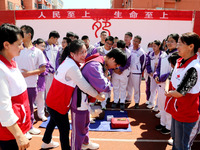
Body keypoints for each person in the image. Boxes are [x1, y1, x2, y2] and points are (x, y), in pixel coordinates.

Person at [41, 40, 104, 150]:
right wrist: (98, 96)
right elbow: (84, 86)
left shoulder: (69, 61)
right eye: (81, 52)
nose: (84, 55)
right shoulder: (72, 66)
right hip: (57, 104)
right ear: (72, 54)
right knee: (64, 130)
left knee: (53, 121)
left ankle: (46, 142)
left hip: (53, 101)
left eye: (85, 51)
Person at [71, 48, 127, 150]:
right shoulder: (95, 65)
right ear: (112, 59)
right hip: (79, 99)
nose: (115, 68)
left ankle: (85, 143)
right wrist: (109, 84)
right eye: (116, 65)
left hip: (85, 98)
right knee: (78, 129)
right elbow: (103, 86)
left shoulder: (100, 62)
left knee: (85, 122)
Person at [165, 32, 200, 150]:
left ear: (191, 46)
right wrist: (167, 89)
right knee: (176, 141)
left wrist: (168, 93)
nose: (177, 47)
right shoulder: (179, 61)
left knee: (183, 146)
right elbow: (170, 77)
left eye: (180, 44)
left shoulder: (194, 68)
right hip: (177, 110)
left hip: (187, 114)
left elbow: (181, 92)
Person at [0, 23, 31, 150]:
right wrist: (18, 134)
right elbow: (3, 106)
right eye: (19, 44)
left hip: (16, 126)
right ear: (6, 45)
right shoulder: (1, 69)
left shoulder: (12, 62)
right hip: (9, 133)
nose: (22, 47)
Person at [15, 25, 46, 135]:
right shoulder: (17, 49)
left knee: (30, 107)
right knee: (20, 108)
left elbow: (43, 68)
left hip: (31, 84)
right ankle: (24, 129)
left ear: (29, 35)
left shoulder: (37, 52)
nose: (19, 34)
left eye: (22, 32)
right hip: (16, 84)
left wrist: (28, 74)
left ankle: (30, 126)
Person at [90, 36, 114, 109]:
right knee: (95, 87)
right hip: (97, 71)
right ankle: (93, 101)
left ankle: (103, 104)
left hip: (107, 72)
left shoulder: (113, 52)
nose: (108, 45)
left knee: (105, 88)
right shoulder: (98, 49)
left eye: (110, 44)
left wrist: (109, 71)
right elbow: (93, 58)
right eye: (107, 43)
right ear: (104, 42)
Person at [126, 35, 146, 109]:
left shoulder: (141, 52)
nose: (135, 42)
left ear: (140, 42)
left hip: (137, 73)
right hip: (129, 71)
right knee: (128, 86)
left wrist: (140, 71)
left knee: (136, 88)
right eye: (134, 41)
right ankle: (128, 98)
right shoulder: (130, 49)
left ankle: (137, 102)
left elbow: (143, 63)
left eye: (136, 41)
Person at [111, 40, 131, 110]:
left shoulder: (128, 52)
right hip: (115, 72)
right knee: (116, 87)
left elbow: (128, 63)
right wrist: (115, 69)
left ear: (124, 47)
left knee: (123, 87)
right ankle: (115, 101)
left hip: (124, 72)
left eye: (122, 48)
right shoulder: (114, 52)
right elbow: (111, 61)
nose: (121, 50)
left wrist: (121, 69)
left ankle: (122, 101)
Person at [33, 38, 49, 122]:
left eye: (44, 46)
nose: (43, 47)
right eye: (41, 46)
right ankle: (31, 116)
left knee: (41, 97)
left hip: (41, 78)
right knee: (31, 99)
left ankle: (41, 114)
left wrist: (42, 72)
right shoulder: (31, 53)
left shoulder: (43, 54)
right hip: (31, 78)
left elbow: (47, 66)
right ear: (36, 45)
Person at [44, 31, 60, 97]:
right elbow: (45, 59)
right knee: (47, 90)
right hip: (47, 72)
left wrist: (57, 70)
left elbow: (58, 59)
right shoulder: (44, 46)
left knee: (54, 90)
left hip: (55, 73)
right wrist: (51, 69)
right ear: (52, 38)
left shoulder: (56, 48)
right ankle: (47, 105)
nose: (56, 41)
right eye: (56, 39)